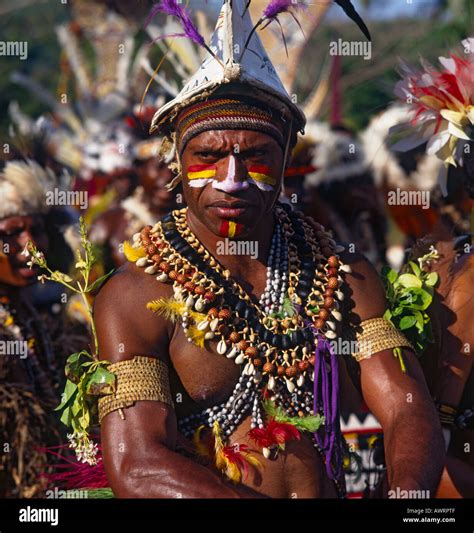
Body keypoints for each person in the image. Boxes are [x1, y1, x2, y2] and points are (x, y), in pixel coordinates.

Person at [93, 0, 444, 498]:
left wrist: (406, 493)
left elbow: (407, 406)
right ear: (177, 161)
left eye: (255, 156)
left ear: (285, 163)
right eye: (208, 156)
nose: (232, 180)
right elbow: (137, 466)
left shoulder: (342, 276)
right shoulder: (134, 296)